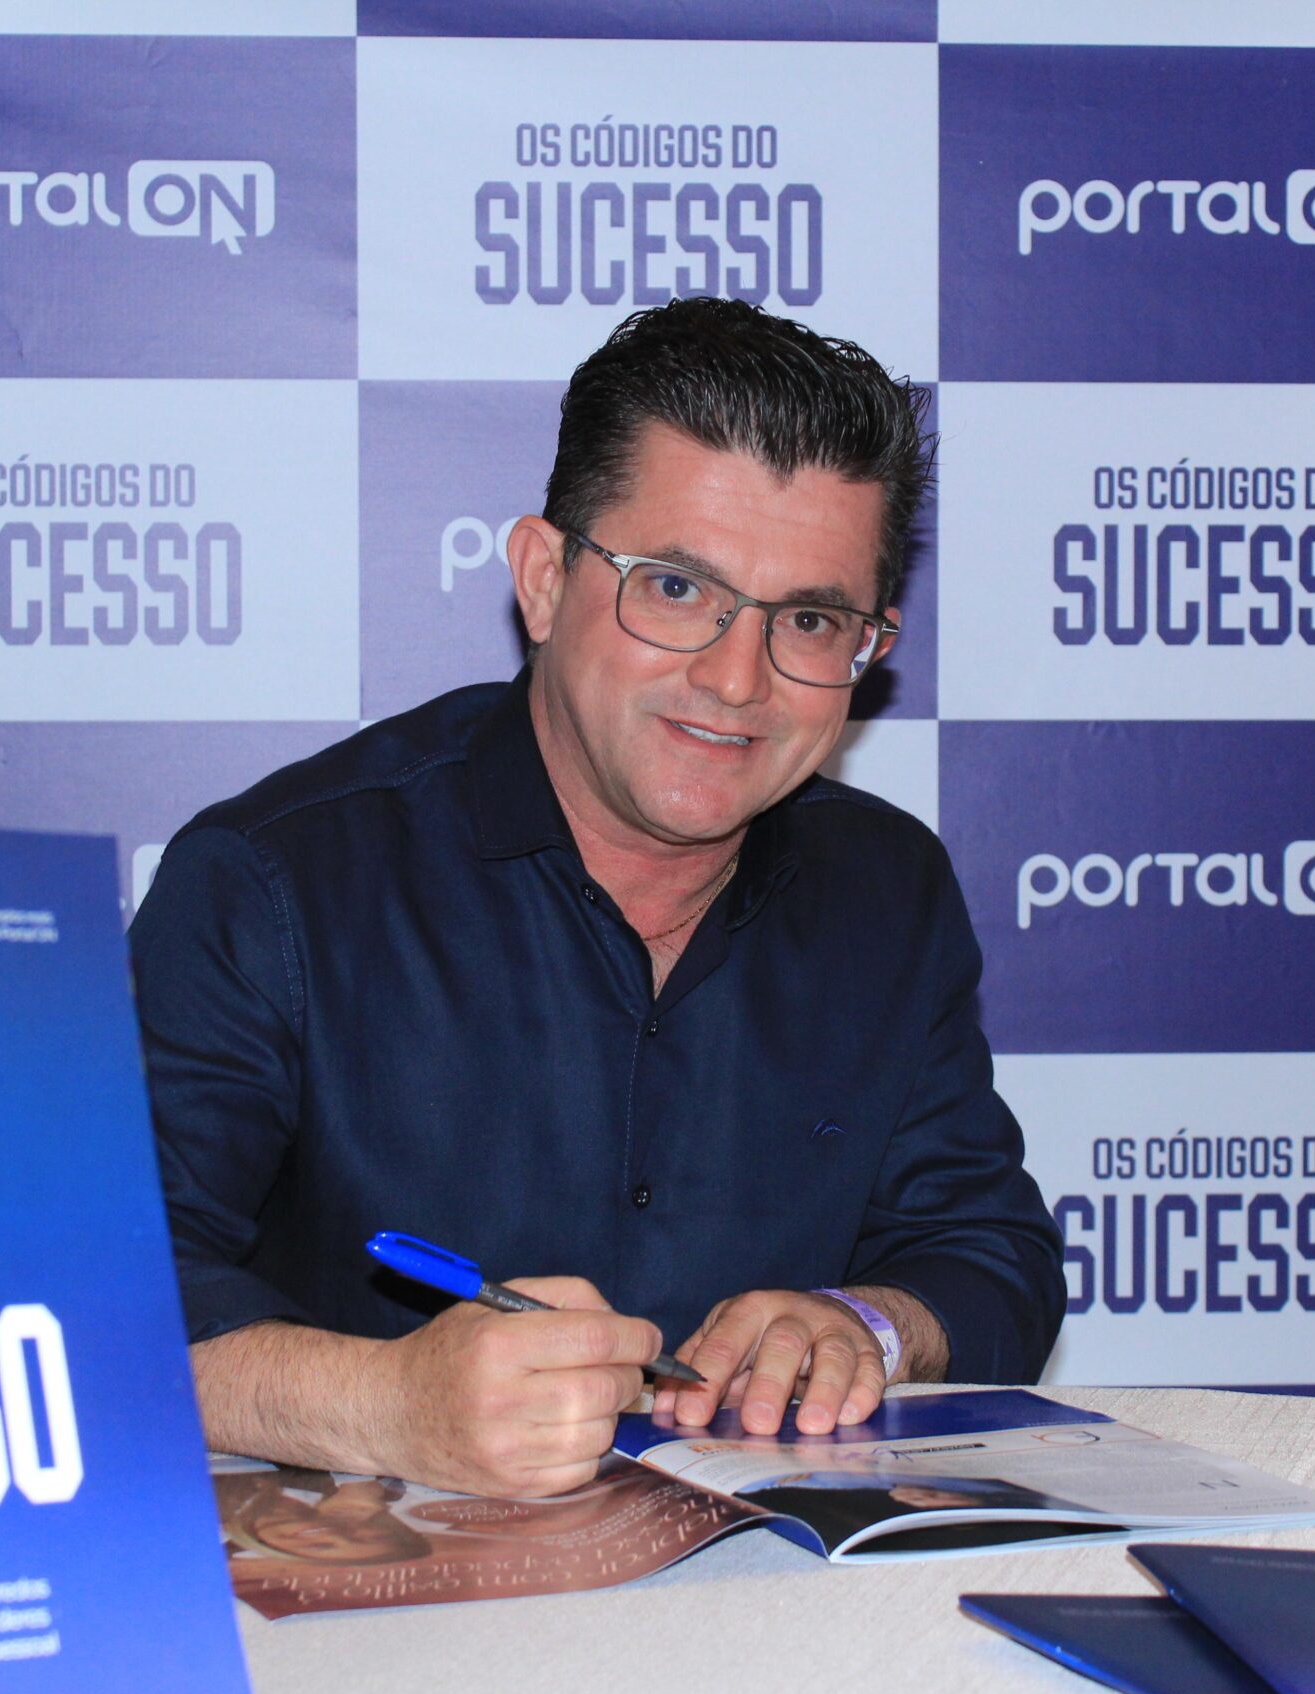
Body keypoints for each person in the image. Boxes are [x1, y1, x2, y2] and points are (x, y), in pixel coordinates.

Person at [130, 296, 1064, 1500]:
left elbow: (988, 1252)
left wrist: (866, 1326)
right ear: (542, 579)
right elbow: (89, 1298)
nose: (736, 679)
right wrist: (381, 1402)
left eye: (808, 619)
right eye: (675, 588)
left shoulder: (888, 888)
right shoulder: (273, 880)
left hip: (769, 1590)